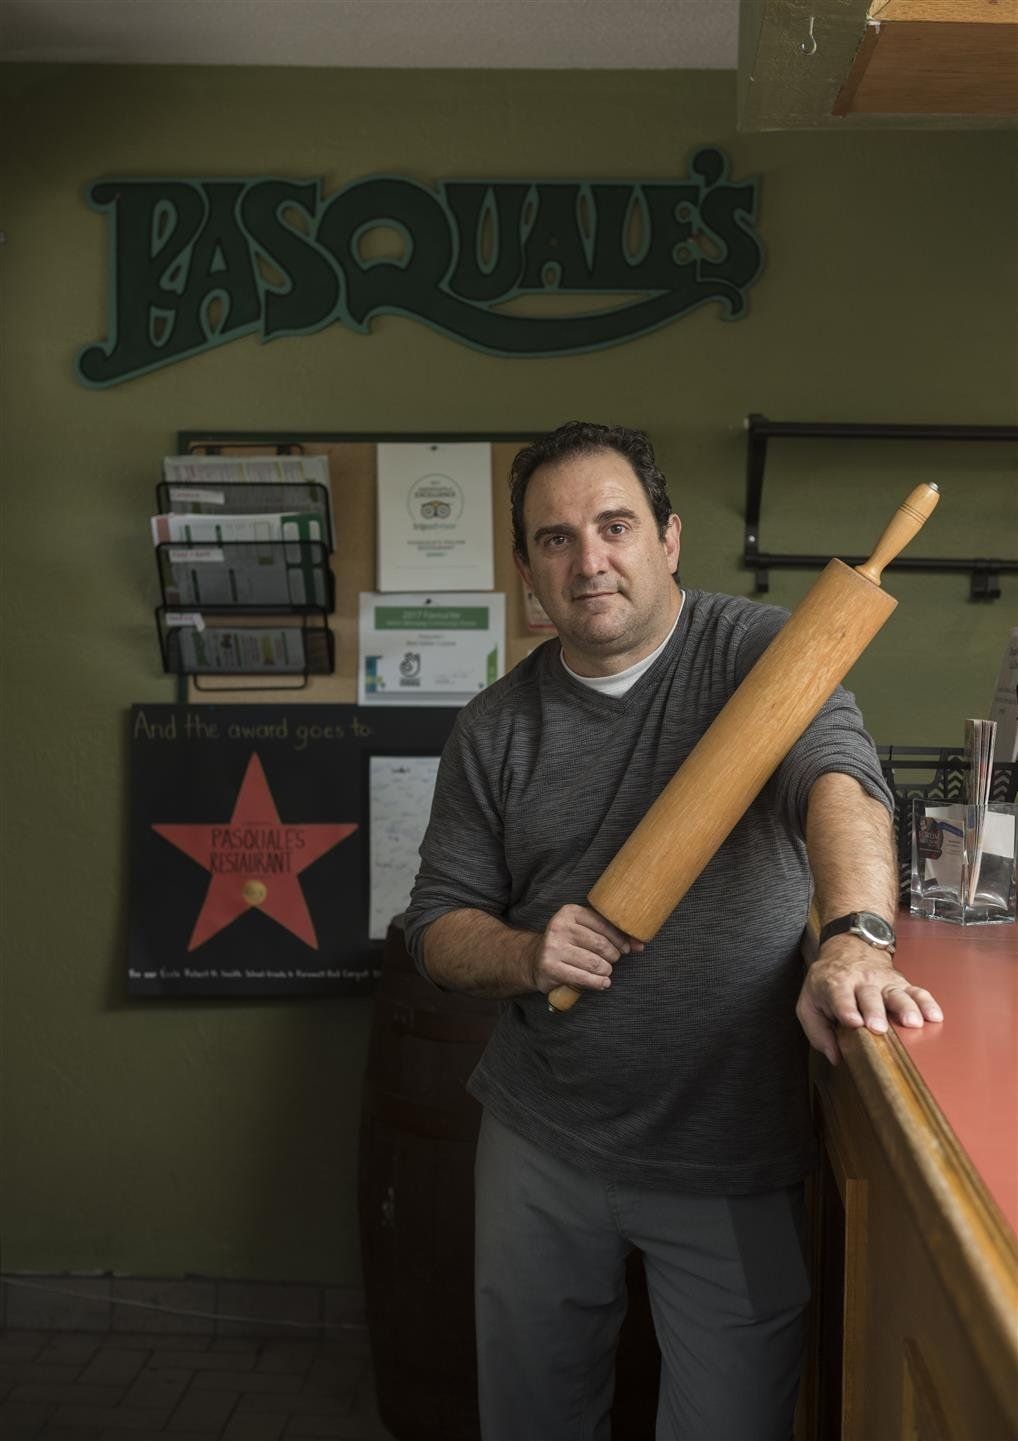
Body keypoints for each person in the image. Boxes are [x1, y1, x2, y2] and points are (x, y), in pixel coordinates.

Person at [403, 421, 943, 1441]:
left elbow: (842, 789)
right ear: (525, 568)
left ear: (668, 537)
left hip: (730, 1144)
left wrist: (857, 934)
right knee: (532, 1418)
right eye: (554, 538)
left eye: (614, 524)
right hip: (542, 1137)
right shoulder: (494, 726)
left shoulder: (765, 653)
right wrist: (523, 950)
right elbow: (433, 929)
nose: (588, 558)